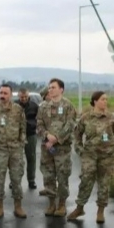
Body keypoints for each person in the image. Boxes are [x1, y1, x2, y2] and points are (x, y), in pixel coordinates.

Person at [68, 91, 114, 223]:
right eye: (103, 99)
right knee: (86, 179)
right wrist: (80, 150)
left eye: (106, 99)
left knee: (104, 183)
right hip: (90, 155)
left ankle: (100, 211)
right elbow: (77, 135)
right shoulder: (86, 118)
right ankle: (79, 207)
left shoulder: (111, 118)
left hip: (107, 156)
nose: (105, 101)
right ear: (95, 101)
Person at [36, 78, 77, 217]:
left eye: (53, 87)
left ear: (61, 89)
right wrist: (47, 136)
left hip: (62, 149)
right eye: (49, 88)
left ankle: (62, 205)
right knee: (48, 176)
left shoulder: (68, 106)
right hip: (47, 148)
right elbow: (39, 125)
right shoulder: (43, 107)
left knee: (62, 176)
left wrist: (56, 139)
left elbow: (70, 125)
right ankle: (52, 203)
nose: (50, 90)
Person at [0, 84, 28, 219]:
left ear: (11, 95)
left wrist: (21, 142)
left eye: (5, 93)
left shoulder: (18, 109)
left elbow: (23, 127)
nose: (2, 95)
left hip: (16, 149)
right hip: (1, 150)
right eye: (1, 93)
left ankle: (18, 206)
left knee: (16, 179)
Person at [17, 88, 39, 190]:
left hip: (30, 135)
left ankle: (31, 180)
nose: (24, 99)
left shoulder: (34, 106)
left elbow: (39, 119)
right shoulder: (14, 106)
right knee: (16, 160)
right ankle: (15, 181)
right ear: (19, 96)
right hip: (16, 136)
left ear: (28, 96)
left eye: (26, 97)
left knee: (31, 158)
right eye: (22, 97)